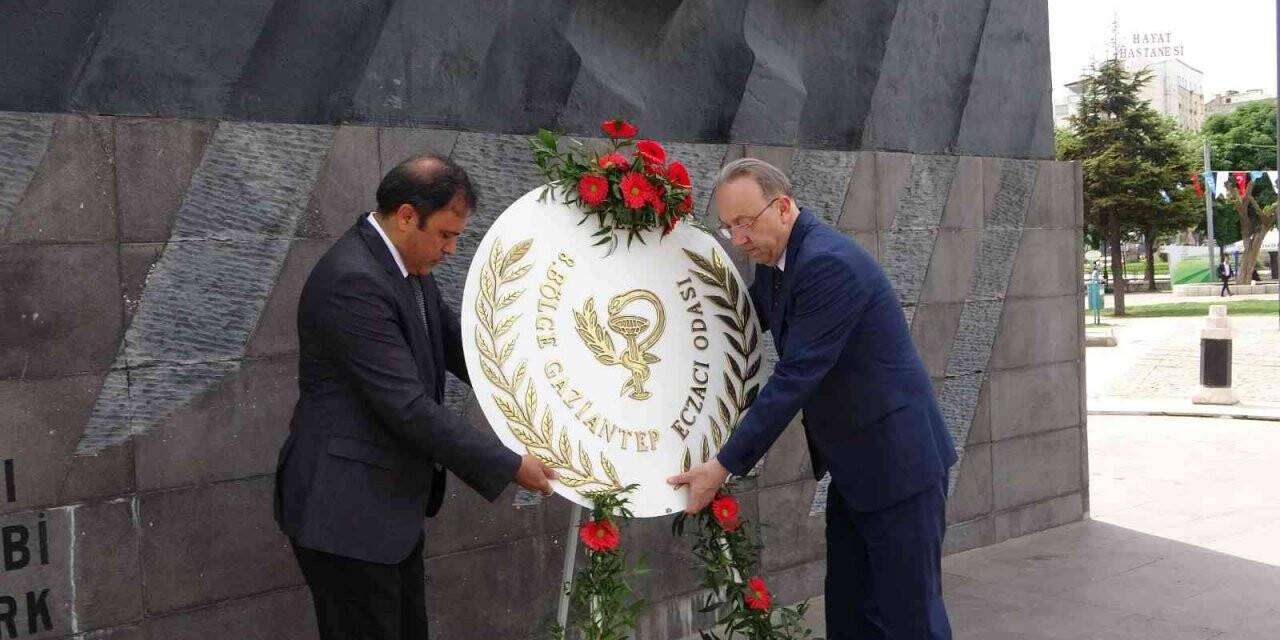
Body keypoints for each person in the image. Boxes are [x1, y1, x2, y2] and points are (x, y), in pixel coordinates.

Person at [668, 158, 957, 639]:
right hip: (856, 469)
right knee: (851, 613)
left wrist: (721, 466)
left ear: (783, 207)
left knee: (912, 620)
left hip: (900, 468)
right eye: (729, 227)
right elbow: (738, 327)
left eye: (746, 222)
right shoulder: (777, 263)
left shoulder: (826, 264)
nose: (739, 239)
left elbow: (794, 378)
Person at [274, 154, 557, 640]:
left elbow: (460, 346)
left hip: (388, 516)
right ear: (406, 216)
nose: (451, 249)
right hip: (346, 516)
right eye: (445, 234)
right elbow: (406, 407)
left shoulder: (407, 265)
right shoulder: (353, 281)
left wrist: (538, 391)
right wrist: (510, 465)